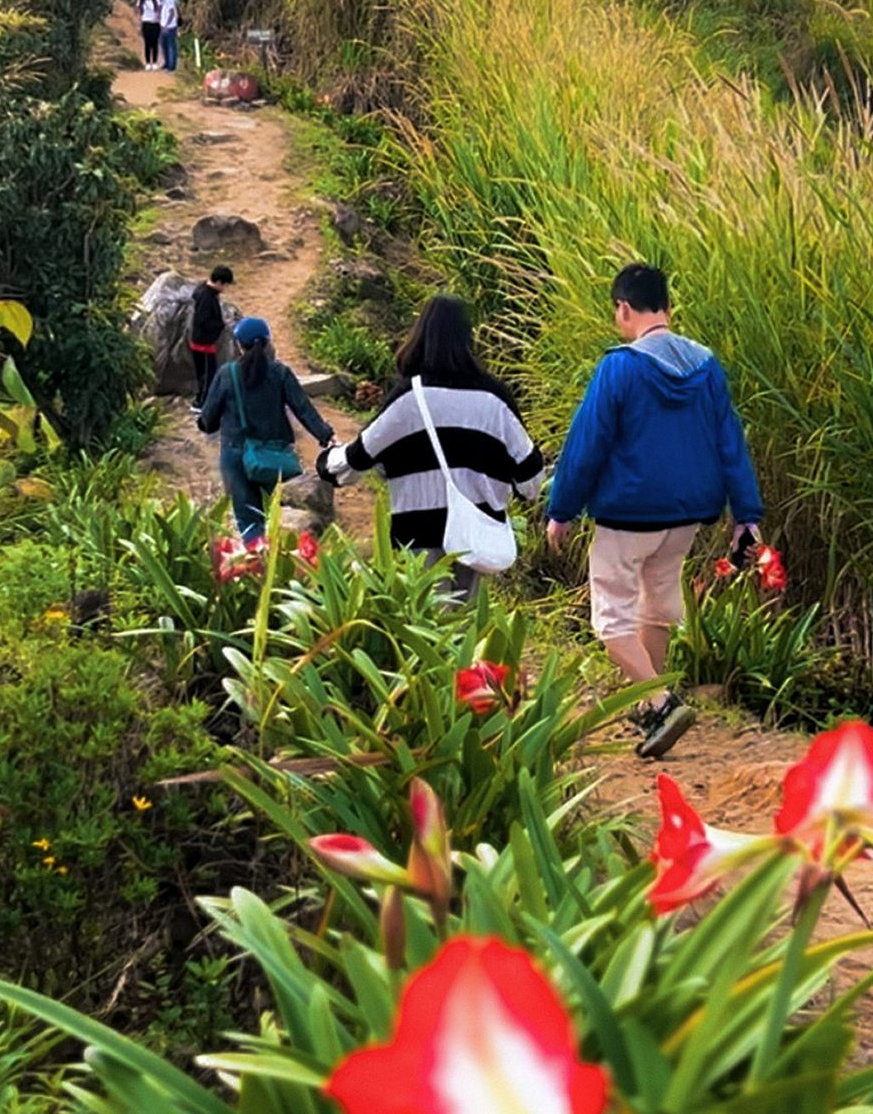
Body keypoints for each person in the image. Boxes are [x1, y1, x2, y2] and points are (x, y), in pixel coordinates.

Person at [544, 263, 762, 760]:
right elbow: (730, 443)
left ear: (624, 308)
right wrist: (745, 515)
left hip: (628, 515)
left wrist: (562, 510)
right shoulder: (706, 366)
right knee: (656, 605)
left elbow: (586, 444)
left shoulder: (619, 367)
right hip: (685, 517)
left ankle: (661, 701)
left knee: (611, 618)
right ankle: (650, 712)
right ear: (667, 306)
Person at [325, 295, 544, 573]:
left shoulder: (408, 397)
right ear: (468, 338)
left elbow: (358, 457)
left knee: (424, 600)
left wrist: (327, 462)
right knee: (467, 602)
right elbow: (531, 480)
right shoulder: (494, 397)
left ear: (420, 335)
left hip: (417, 538)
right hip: (476, 538)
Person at [198, 315, 332, 543]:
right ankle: (272, 555)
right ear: (268, 342)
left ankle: (257, 557)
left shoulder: (228, 374)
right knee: (270, 512)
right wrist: (325, 435)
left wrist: (204, 422)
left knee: (247, 518)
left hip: (236, 454)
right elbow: (303, 408)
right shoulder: (280, 373)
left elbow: (208, 420)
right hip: (274, 455)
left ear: (239, 345)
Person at [187, 262, 234, 407]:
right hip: (204, 344)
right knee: (207, 376)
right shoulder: (207, 297)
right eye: (225, 285)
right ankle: (202, 403)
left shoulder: (203, 290)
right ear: (218, 282)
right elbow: (203, 321)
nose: (225, 289)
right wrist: (221, 325)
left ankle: (202, 400)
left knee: (204, 374)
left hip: (200, 342)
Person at [158, 0, 181, 72]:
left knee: (170, 46)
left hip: (170, 25)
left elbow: (172, 12)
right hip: (163, 23)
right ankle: (166, 63)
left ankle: (172, 66)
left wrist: (167, 24)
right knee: (163, 45)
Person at [137, 0, 162, 69]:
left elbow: (159, 11)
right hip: (146, 22)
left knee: (154, 42)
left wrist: (159, 20)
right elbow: (139, 12)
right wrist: (139, 22)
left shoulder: (156, 0)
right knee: (147, 43)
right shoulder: (141, 1)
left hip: (155, 23)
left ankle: (154, 62)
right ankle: (148, 62)